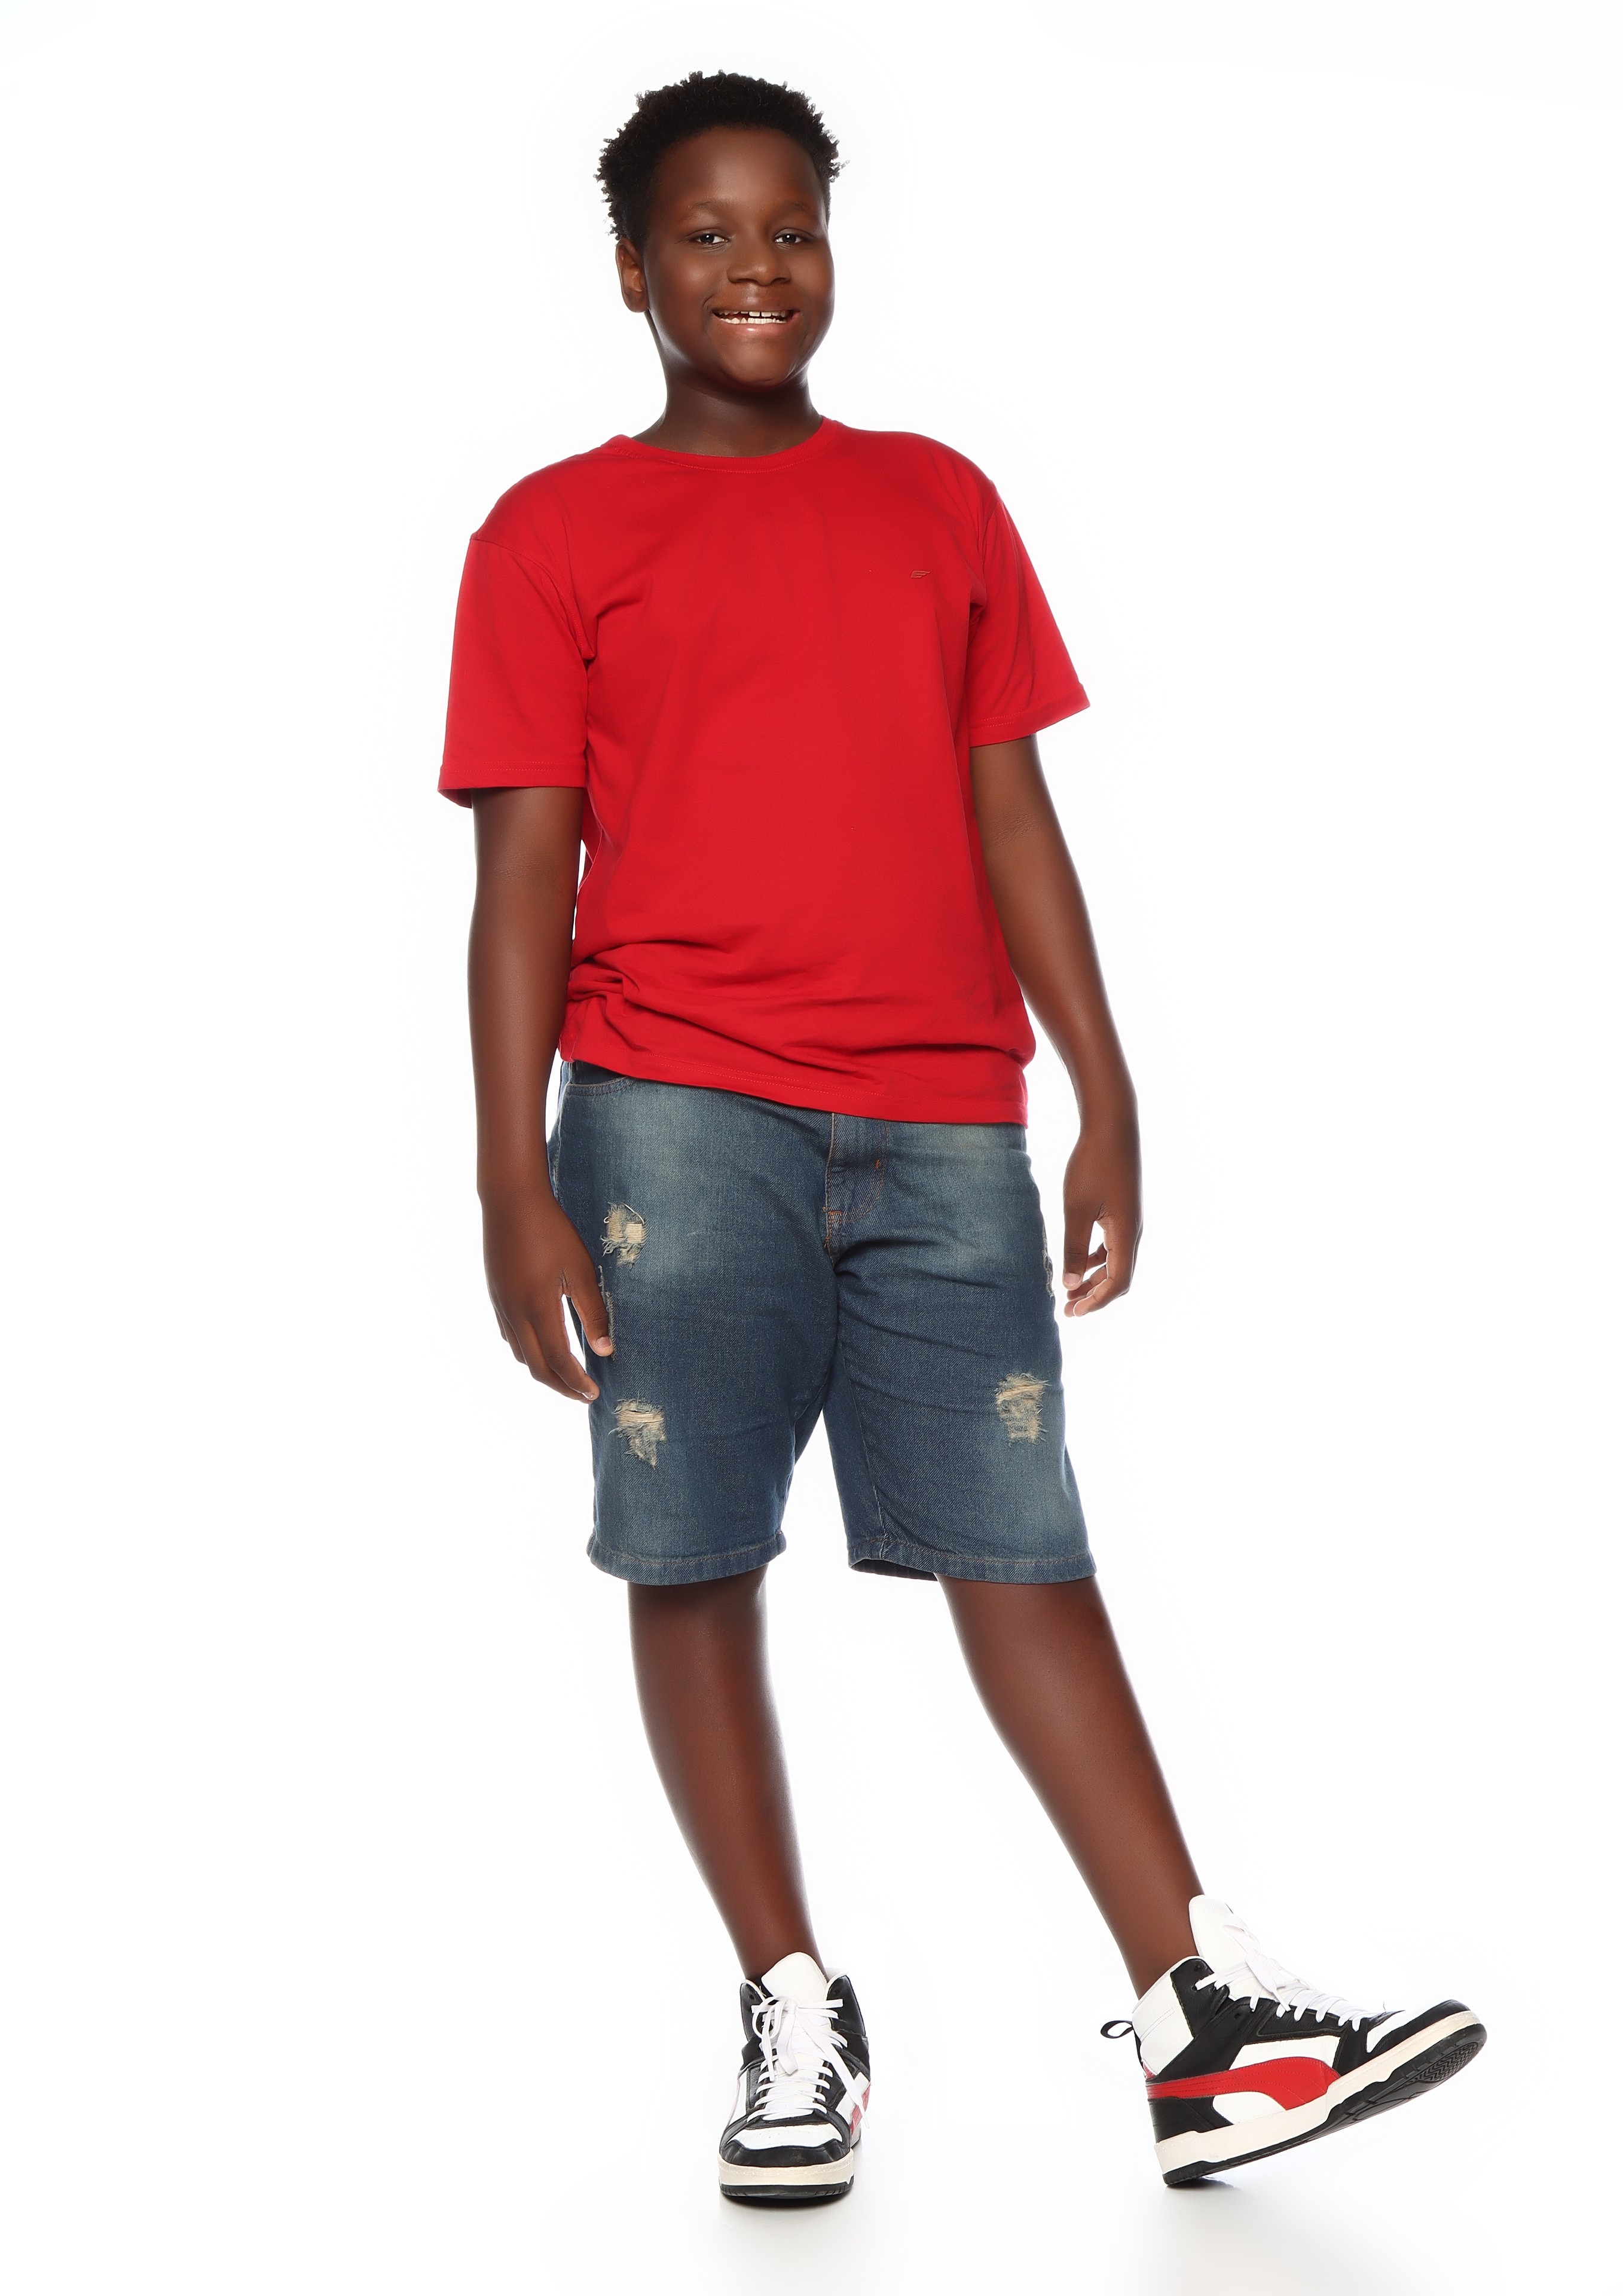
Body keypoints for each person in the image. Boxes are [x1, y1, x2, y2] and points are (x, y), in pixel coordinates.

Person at [439, 70, 1484, 2203]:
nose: (755, 268)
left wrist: (1106, 1081)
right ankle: (787, 1999)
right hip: (671, 1109)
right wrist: (506, 1177)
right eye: (706, 235)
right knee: (692, 1551)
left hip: (940, 1114)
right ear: (629, 272)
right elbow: (521, 875)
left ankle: (1196, 2018)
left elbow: (1009, 803)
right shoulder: (549, 535)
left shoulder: (939, 502)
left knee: (1025, 1542)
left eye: (790, 228)